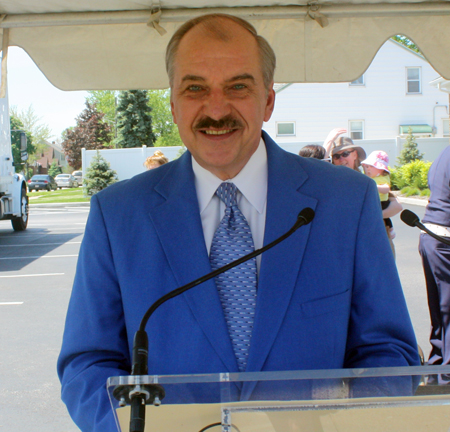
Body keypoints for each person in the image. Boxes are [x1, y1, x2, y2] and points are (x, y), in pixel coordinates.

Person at [57, 13, 420, 431]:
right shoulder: (118, 213)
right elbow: (88, 364)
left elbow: (388, 353)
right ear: (173, 104)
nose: (216, 109)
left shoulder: (345, 201)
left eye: (238, 87)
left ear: (268, 101)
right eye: (195, 88)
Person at [419, 146, 450, 378]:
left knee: (441, 310)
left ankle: (439, 366)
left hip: (432, 235)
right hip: (443, 237)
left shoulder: (443, 153)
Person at [361, 151, 397, 256]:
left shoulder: (383, 178)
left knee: (385, 217)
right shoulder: (370, 178)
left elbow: (386, 189)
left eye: (371, 167)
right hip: (373, 201)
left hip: (382, 202)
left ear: (381, 169)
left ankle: (390, 229)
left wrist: (375, 187)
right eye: (367, 167)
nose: (368, 169)